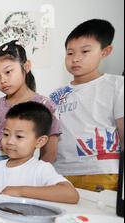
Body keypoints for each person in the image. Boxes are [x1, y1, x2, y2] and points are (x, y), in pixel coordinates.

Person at [50, 19, 124, 192]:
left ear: (105, 51)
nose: (75, 58)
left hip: (103, 174)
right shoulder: (55, 96)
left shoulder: (117, 86)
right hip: (61, 175)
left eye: (85, 51)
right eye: (70, 53)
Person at [0, 102, 79, 204]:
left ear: (40, 141)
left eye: (19, 136)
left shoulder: (41, 169)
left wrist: (20, 191)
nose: (9, 141)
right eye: (6, 134)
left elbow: (71, 194)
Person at [0, 40, 61, 170]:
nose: (3, 80)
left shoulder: (45, 105)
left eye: (8, 72)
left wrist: (33, 177)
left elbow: (49, 154)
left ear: (26, 66)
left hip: (21, 173)